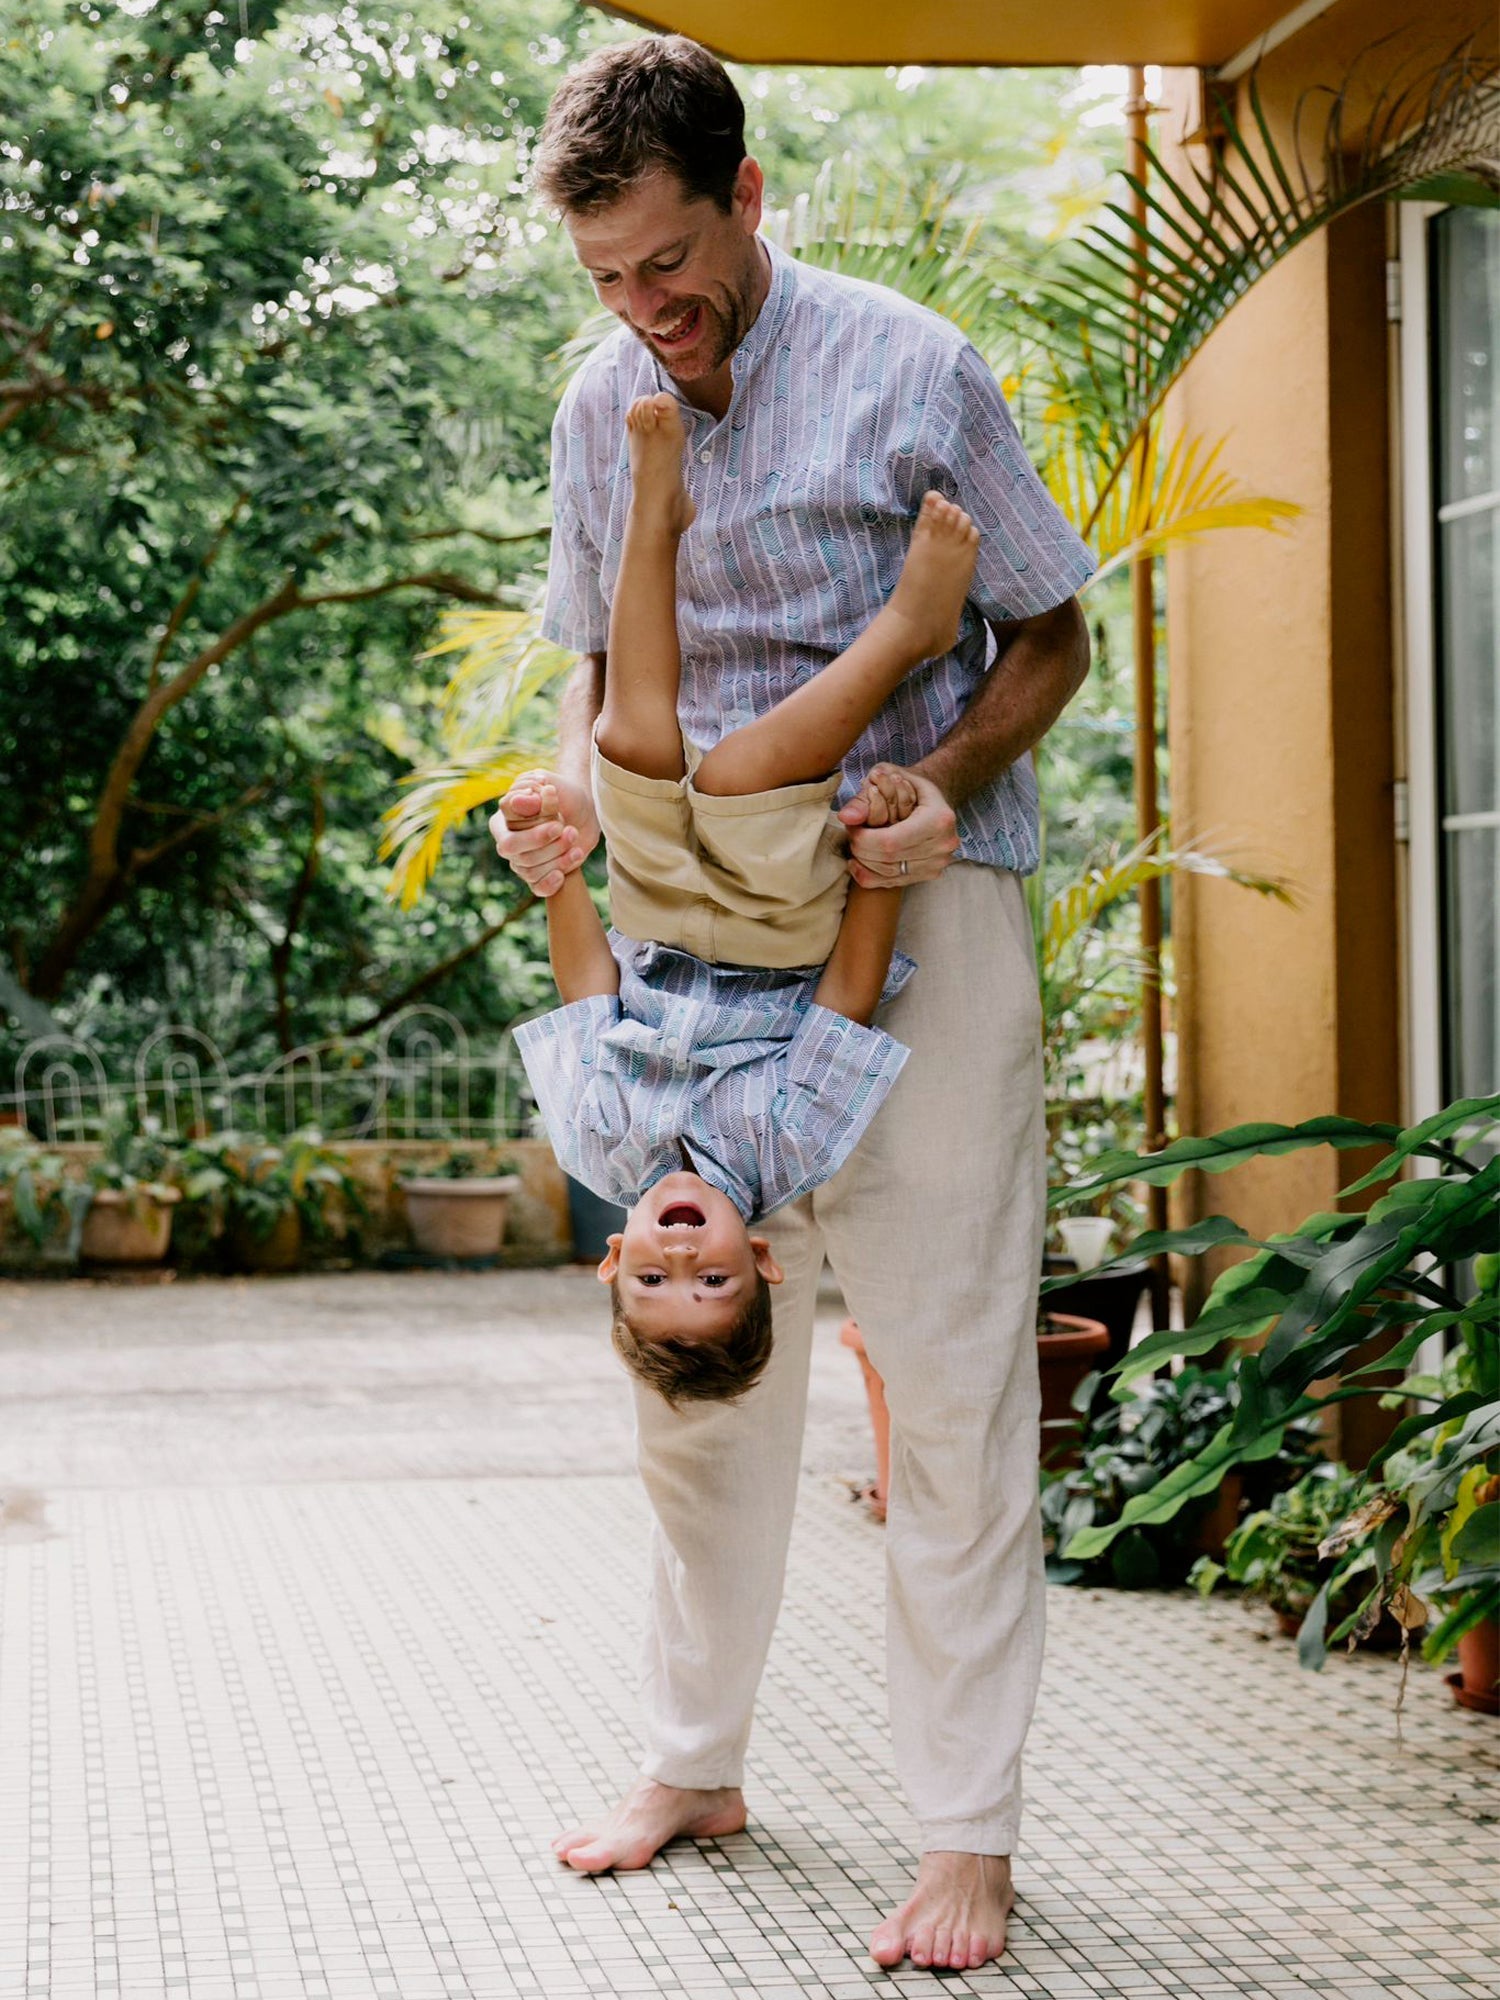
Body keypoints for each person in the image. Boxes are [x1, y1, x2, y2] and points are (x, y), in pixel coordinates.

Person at [492, 35, 1093, 1974]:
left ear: (747, 199)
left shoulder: (914, 369)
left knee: (952, 1370)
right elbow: (598, 672)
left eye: (669, 265)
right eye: (607, 279)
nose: (643, 312)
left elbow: (1053, 631)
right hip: (687, 920)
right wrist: (564, 799)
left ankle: (967, 1833)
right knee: (700, 1386)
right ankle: (695, 1763)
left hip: (917, 894)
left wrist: (948, 775)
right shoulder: (600, 404)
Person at [512, 389, 980, 1404]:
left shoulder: (594, 1141)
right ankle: (911, 628)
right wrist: (879, 870)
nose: (681, 1257)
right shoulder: (794, 1145)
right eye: (712, 1280)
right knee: (735, 777)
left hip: (654, 918)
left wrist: (559, 874)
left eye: (652, 1280)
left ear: (613, 1259)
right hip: (779, 928)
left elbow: (588, 991)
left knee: (630, 743)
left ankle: (656, 518)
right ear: (763, 1259)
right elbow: (845, 1002)